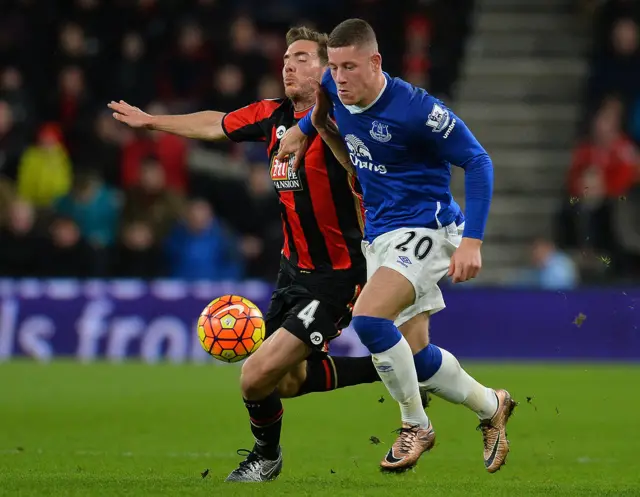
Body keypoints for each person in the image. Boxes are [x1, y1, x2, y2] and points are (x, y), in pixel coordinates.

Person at [109, 26, 408, 482]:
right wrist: (152, 121)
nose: (289, 64)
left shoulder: (346, 122)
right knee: (282, 380)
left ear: (328, 69)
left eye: (303, 57)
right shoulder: (272, 116)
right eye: (286, 56)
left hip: (339, 275)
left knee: (253, 376)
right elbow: (216, 121)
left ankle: (265, 458)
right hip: (293, 273)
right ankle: (396, 369)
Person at [277, 19, 517, 473]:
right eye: (334, 66)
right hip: (380, 235)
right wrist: (304, 129)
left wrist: (472, 242)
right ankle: (492, 406)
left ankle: (415, 426)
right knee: (416, 355)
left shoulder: (417, 110)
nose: (340, 77)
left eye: (350, 66)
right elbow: (324, 105)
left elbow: (478, 161)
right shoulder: (333, 83)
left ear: (375, 61)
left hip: (427, 229)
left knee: (369, 319)